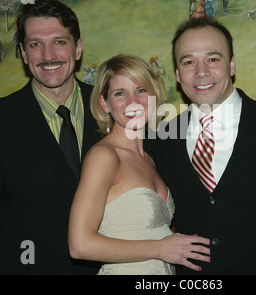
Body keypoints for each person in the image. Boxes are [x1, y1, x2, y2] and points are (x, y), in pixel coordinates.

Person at [0, 0, 102, 274]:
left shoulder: (110, 108)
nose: (48, 56)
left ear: (78, 48)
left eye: (59, 41)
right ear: (23, 53)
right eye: (36, 44)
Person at [144, 17, 256, 274]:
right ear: (178, 75)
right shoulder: (161, 139)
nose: (201, 71)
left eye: (213, 59)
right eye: (189, 62)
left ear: (232, 64)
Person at [68, 54, 210, 275]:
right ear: (104, 103)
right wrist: (160, 248)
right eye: (120, 93)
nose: (133, 101)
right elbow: (79, 245)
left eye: (141, 90)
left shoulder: (150, 159)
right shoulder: (104, 157)